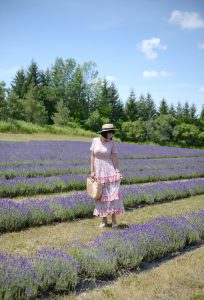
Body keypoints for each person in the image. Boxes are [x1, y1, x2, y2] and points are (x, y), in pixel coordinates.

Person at [90, 124, 125, 228]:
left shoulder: (112, 143)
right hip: (98, 170)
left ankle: (114, 220)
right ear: (104, 133)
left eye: (112, 132)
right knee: (100, 195)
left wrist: (117, 171)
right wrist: (92, 171)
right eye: (110, 132)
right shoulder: (95, 141)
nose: (111, 135)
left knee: (112, 195)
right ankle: (104, 220)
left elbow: (114, 157)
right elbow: (92, 156)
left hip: (109, 170)